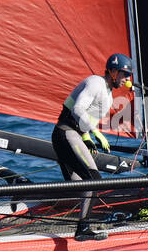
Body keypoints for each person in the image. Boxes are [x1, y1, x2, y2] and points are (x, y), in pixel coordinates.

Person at [52, 53, 134, 240]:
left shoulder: (108, 93)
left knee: (78, 185)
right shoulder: (96, 83)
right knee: (94, 181)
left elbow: (84, 121)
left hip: (72, 136)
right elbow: (78, 109)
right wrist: (96, 134)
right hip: (65, 134)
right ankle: (83, 230)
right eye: (124, 74)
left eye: (128, 76)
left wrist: (87, 137)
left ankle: (38, 204)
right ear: (113, 72)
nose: (127, 79)